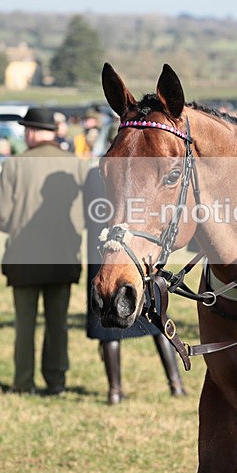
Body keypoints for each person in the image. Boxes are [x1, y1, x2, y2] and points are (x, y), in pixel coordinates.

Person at [0, 107, 87, 395]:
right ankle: (56, 381)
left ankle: (23, 382)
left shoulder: (14, 166)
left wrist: (18, 227)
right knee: (58, 325)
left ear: (31, 131)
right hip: (64, 255)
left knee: (25, 325)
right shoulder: (76, 165)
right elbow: (83, 216)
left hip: (24, 256)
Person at [84, 165, 186, 405]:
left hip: (105, 255)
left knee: (110, 327)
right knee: (156, 319)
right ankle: (176, 384)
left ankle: (115, 392)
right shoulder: (141, 174)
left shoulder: (94, 176)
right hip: (136, 256)